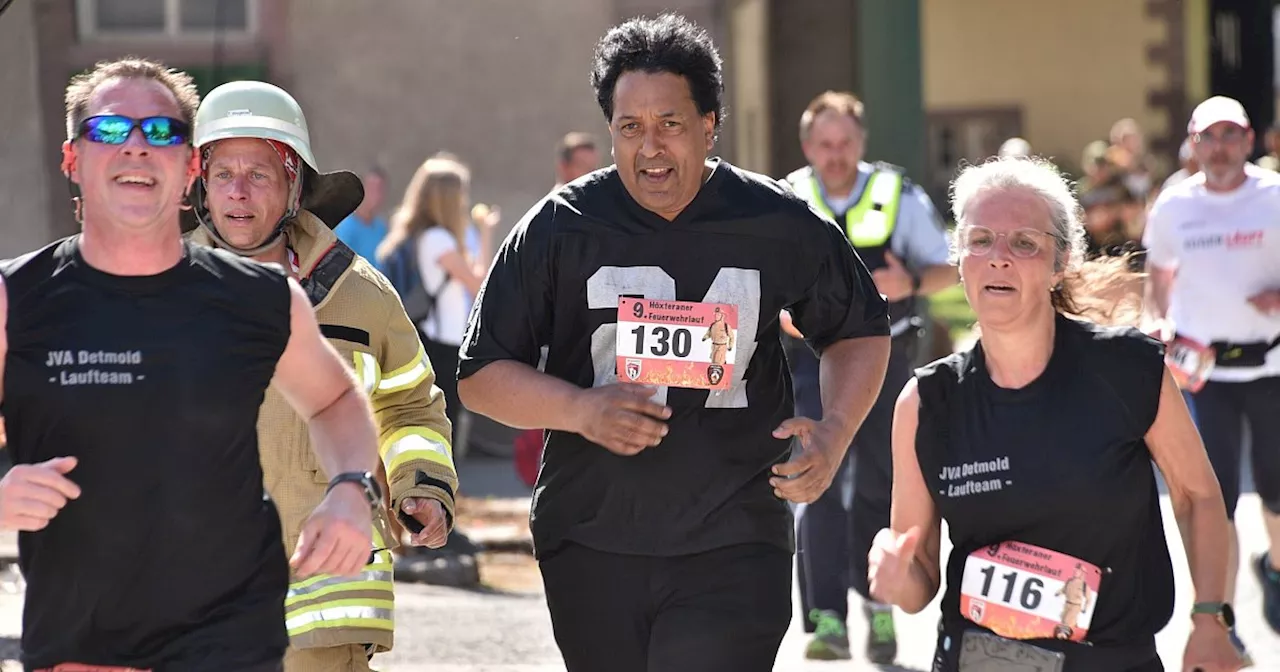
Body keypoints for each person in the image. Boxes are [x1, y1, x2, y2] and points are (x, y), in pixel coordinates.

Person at [456, 13, 891, 671]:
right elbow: (480, 371)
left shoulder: (775, 221)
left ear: (710, 124)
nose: (650, 147)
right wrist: (580, 410)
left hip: (736, 537)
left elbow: (858, 329)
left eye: (671, 125)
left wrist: (835, 430)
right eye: (630, 128)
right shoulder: (558, 228)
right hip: (592, 538)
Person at [0, 57, 381, 672]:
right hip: (81, 647)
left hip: (229, 643)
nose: (135, 149)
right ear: (73, 160)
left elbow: (336, 402)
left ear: (189, 168)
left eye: (159, 134)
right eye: (108, 131)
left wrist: (350, 491)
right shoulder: (14, 300)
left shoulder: (262, 300)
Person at [867, 155, 1244, 672]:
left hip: (1112, 659)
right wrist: (897, 575)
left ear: (1059, 262)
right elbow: (919, 584)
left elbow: (1197, 495)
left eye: (1024, 243)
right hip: (980, 660)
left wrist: (1208, 620)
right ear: (959, 259)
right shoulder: (926, 403)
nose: (999, 257)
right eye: (980, 240)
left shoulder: (1127, 370)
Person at [185, 80, 458, 672]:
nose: (237, 192)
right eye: (222, 172)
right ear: (201, 184)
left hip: (327, 617)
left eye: (258, 174)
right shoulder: (162, 287)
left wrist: (422, 485)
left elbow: (411, 406)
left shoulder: (359, 296)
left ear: (292, 186)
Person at [783, 90, 957, 664]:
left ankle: (879, 611)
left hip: (889, 359)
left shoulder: (895, 194)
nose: (835, 155)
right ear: (808, 146)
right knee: (817, 483)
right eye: (824, 144)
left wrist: (910, 283)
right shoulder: (787, 198)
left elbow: (946, 267)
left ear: (861, 142)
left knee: (883, 486)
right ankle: (825, 618)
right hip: (809, 364)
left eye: (845, 143)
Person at [1143, 95, 1280, 655]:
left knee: (1276, 495)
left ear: (1249, 141)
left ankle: (1272, 568)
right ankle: (1224, 623)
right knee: (1214, 500)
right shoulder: (1175, 206)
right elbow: (1158, 272)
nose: (1220, 147)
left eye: (1231, 135)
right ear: (1193, 145)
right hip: (1206, 375)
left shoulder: (1273, 196)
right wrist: (1156, 317)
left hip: (1272, 363)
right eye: (1209, 137)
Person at [334, 166, 390, 272]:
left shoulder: (381, 228)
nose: (376, 194)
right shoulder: (346, 227)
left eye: (380, 189)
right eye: (372, 188)